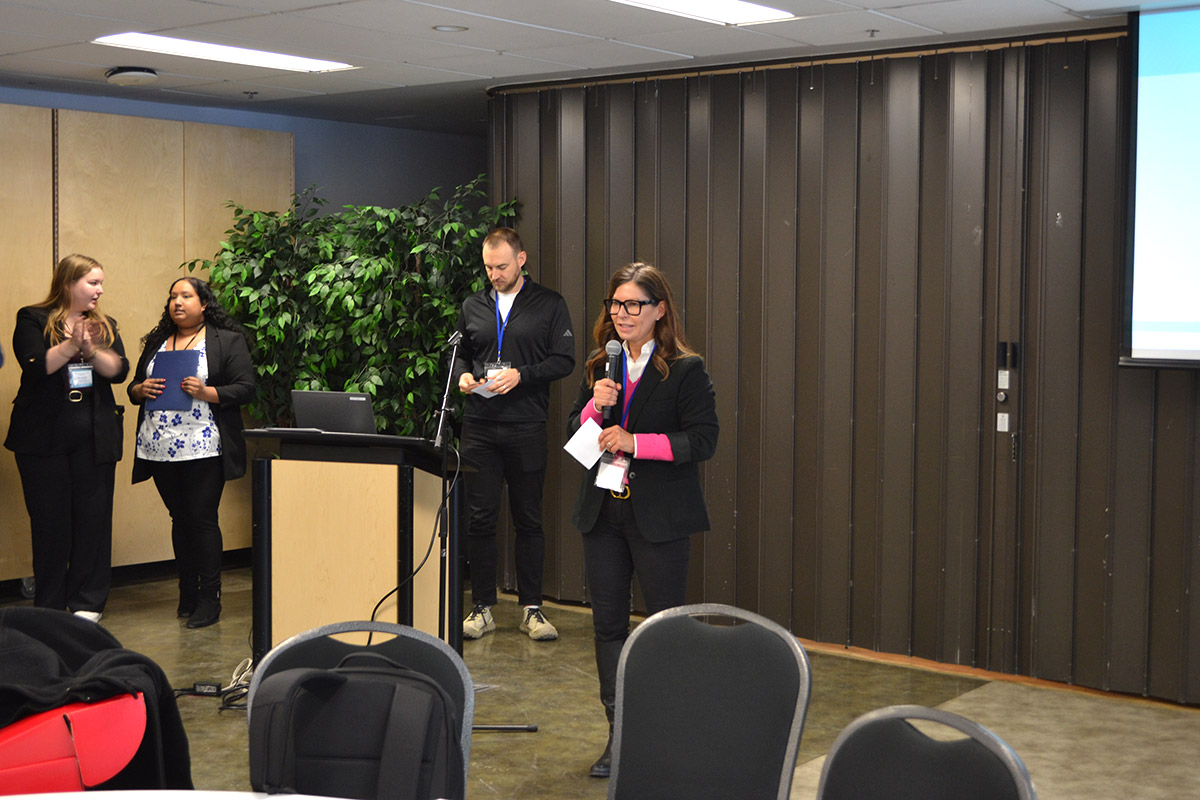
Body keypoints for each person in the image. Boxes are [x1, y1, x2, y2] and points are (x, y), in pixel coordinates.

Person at [567, 262, 719, 778]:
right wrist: (594, 408)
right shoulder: (601, 364)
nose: (622, 313)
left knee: (664, 628)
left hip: (659, 517)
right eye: (616, 304)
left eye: (634, 304)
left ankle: (669, 735)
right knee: (607, 627)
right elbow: (574, 436)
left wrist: (637, 443)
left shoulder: (686, 370)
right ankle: (621, 734)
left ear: (659, 310)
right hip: (603, 514)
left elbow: (703, 440)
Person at [452, 228, 576, 641]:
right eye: (488, 267)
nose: (495, 274)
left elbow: (564, 360)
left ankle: (532, 608)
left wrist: (522, 374)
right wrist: (463, 376)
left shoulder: (550, 304)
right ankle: (482, 607)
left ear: (521, 260)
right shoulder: (472, 305)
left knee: (529, 518)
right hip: (479, 425)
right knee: (480, 518)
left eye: (502, 266)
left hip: (526, 424)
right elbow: (460, 354)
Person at [5, 254, 130, 621]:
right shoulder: (33, 318)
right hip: (43, 439)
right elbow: (36, 365)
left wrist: (91, 349)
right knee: (50, 524)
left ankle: (88, 604)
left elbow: (118, 371)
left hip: (94, 437)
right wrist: (72, 345)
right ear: (67, 283)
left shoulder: (104, 325)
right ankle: (50, 606)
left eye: (101, 283)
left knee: (94, 521)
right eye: (92, 282)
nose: (100, 290)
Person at [127, 277, 255, 629]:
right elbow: (134, 387)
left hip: (203, 444)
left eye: (186, 296)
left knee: (201, 519)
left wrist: (206, 392)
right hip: (158, 444)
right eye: (173, 296)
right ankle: (187, 593)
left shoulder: (226, 340)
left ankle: (210, 598)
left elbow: (245, 389)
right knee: (180, 519)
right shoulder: (157, 340)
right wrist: (139, 389)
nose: (177, 302)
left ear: (204, 303)